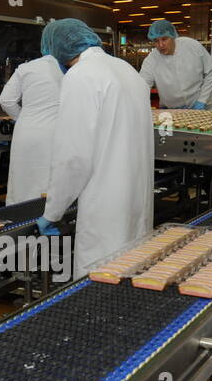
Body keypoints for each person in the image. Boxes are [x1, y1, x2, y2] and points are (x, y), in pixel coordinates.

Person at [37, 18, 154, 280]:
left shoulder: (81, 76)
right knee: (130, 269)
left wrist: (53, 211)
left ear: (57, 50)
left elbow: (74, 157)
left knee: (100, 280)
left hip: (106, 202)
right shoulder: (126, 70)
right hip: (136, 194)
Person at [0, 29, 63, 204]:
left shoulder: (26, 68)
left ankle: (18, 223)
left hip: (25, 133)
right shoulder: (69, 69)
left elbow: (6, 100)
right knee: (50, 183)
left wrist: (25, 118)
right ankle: (48, 223)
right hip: (56, 132)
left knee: (22, 180)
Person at [139, 19, 212, 110]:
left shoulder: (192, 46)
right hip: (173, 110)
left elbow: (211, 71)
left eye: (164, 39)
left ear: (173, 37)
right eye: (156, 41)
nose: (160, 45)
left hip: (202, 106)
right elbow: (142, 86)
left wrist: (202, 101)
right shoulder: (151, 60)